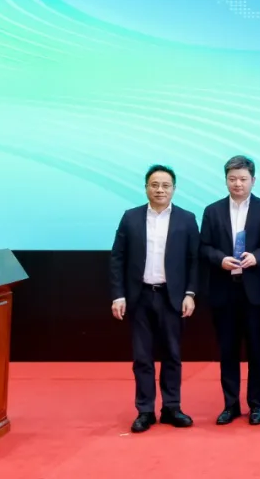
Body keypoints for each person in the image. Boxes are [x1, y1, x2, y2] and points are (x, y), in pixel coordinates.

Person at [109, 164, 199, 433]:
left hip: (172, 297)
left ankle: (172, 407)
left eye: (165, 185)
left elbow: (194, 260)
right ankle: (145, 410)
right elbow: (117, 259)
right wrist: (118, 295)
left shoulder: (187, 219)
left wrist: (190, 293)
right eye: (155, 185)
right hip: (140, 297)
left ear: (174, 189)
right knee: (142, 357)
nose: (160, 190)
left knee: (172, 355)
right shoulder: (130, 217)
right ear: (146, 187)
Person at [198, 155, 260, 426]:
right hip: (224, 290)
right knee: (228, 351)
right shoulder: (212, 211)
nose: (238, 184)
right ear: (226, 180)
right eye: (232, 179)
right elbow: (203, 247)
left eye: (243, 179)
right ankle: (230, 405)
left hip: (255, 290)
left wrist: (258, 257)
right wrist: (220, 259)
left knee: (257, 351)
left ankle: (257, 405)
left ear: (253, 180)